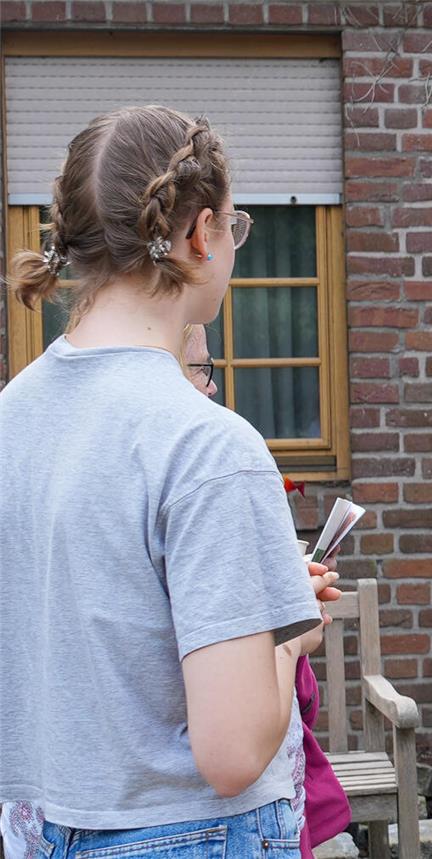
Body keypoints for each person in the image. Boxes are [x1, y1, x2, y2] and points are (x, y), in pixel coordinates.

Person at [0, 106, 331, 857]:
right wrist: (289, 636)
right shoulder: (209, 444)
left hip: (36, 828)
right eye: (233, 228)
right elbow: (235, 750)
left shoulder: (9, 419)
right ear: (199, 233)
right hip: (191, 833)